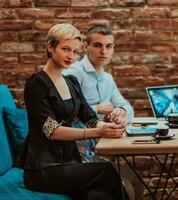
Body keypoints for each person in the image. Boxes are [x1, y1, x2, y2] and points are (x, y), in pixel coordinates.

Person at [16, 23, 129, 200]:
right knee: (106, 170)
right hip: (43, 169)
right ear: (50, 47)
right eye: (66, 49)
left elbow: (89, 116)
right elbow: (51, 131)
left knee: (97, 196)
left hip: (69, 163)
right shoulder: (36, 83)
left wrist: (107, 124)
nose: (71, 56)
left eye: (75, 52)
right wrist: (96, 131)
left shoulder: (71, 82)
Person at [63, 25, 143, 200]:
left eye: (109, 46)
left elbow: (126, 107)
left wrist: (120, 112)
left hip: (99, 149)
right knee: (123, 183)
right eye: (98, 45)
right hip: (76, 153)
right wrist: (97, 109)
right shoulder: (73, 73)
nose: (104, 51)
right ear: (86, 46)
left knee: (135, 179)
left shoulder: (107, 78)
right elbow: (62, 110)